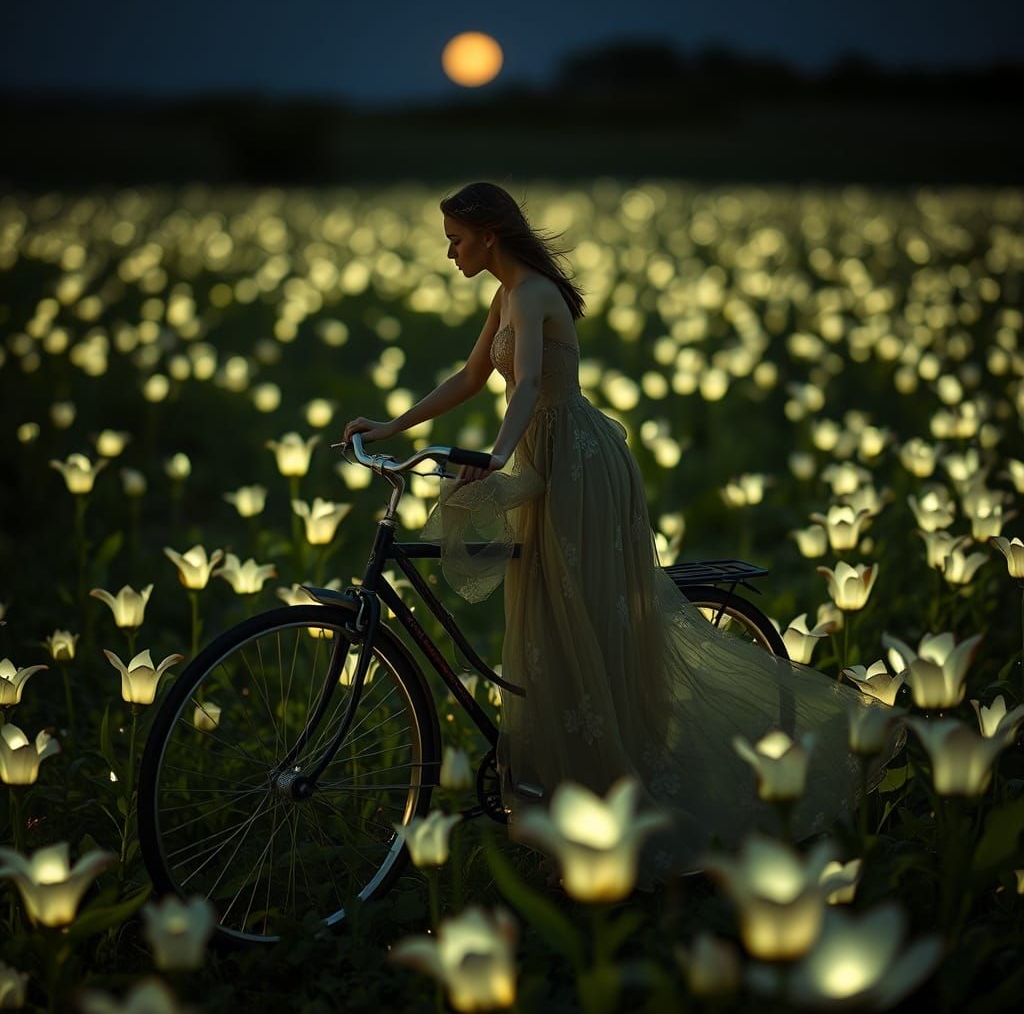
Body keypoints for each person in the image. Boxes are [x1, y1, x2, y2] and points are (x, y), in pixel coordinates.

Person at [341, 181, 903, 889]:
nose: (449, 251)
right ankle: (569, 802)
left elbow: (526, 388)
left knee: (579, 618)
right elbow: (470, 376)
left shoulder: (537, 292)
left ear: (488, 234)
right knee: (544, 618)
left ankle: (620, 797)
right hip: (539, 456)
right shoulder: (504, 296)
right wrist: (389, 426)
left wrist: (493, 455)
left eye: (455, 238)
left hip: (575, 462)